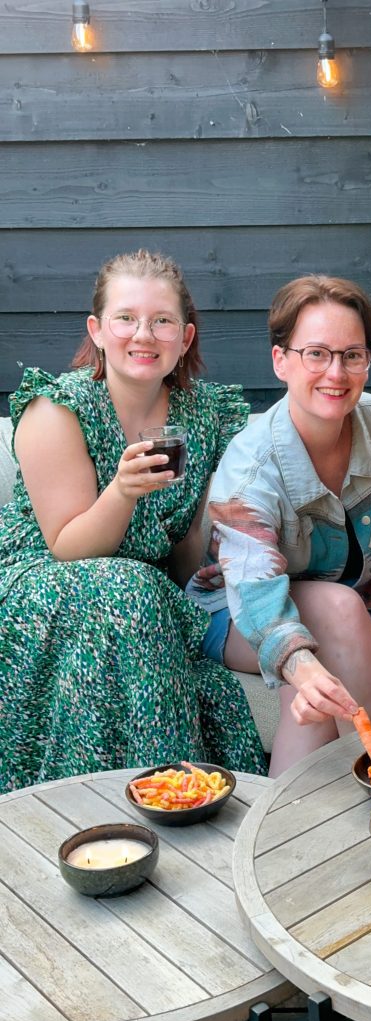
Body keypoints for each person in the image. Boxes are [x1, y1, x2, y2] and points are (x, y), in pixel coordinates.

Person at [0, 250, 267, 793]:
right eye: (126, 318)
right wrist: (122, 491)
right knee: (131, 586)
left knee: (140, 588)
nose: (143, 334)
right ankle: (166, 793)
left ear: (185, 338)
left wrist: (208, 516)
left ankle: (161, 798)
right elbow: (69, 545)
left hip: (148, 593)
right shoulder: (57, 410)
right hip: (42, 579)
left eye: (162, 320)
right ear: (98, 330)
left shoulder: (206, 415)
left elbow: (180, 560)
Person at [188, 275, 371, 775]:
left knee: (313, 688)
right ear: (280, 361)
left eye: (352, 355)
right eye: (316, 353)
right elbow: (258, 593)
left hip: (353, 609)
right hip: (237, 611)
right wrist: (302, 665)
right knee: (333, 613)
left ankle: (279, 834)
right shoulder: (252, 468)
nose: (336, 371)